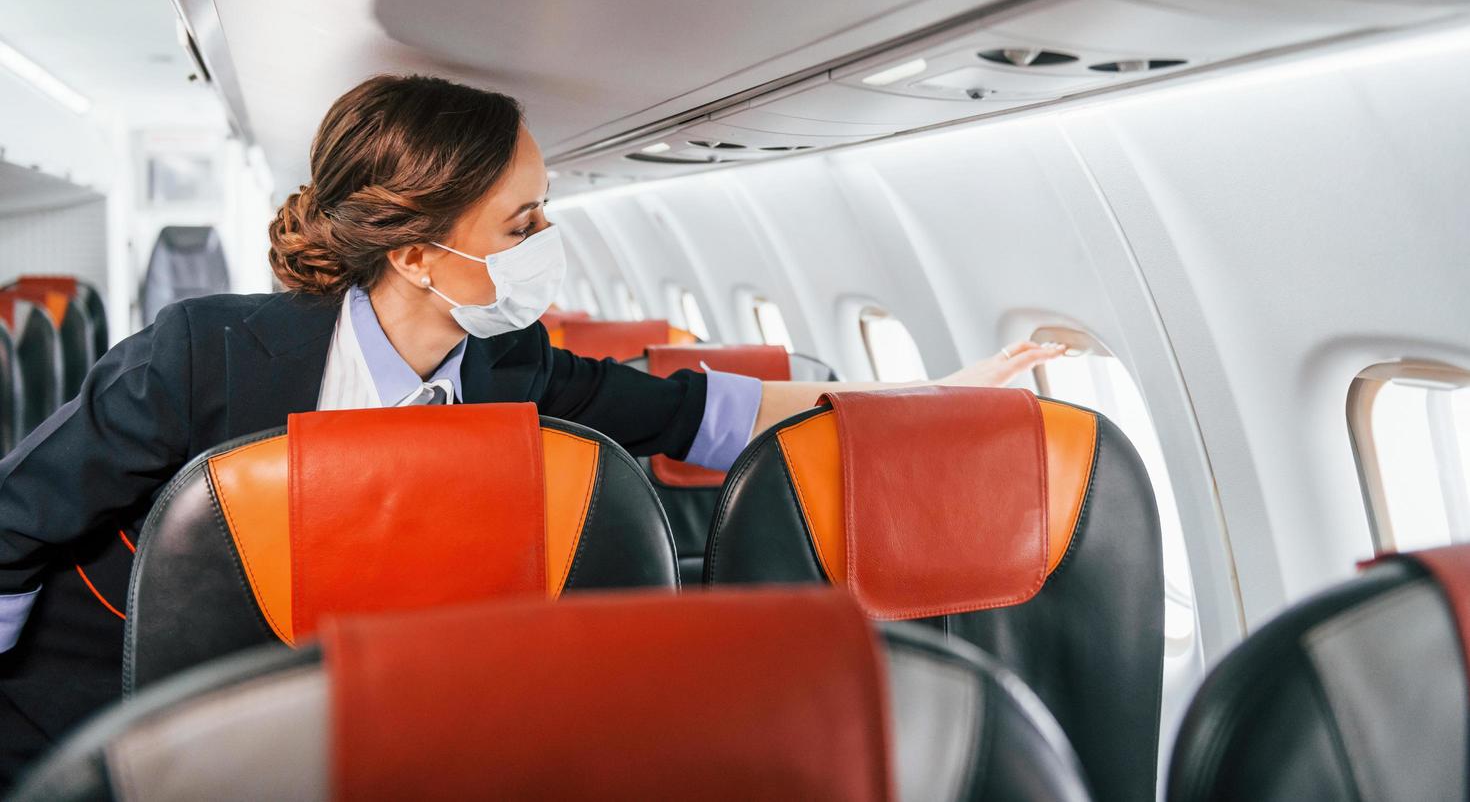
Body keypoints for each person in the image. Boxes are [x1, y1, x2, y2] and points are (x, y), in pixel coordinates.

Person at [0, 74, 1062, 780]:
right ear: (417, 253)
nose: (548, 240)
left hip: (368, 733)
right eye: (524, 222)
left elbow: (705, 413)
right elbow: (12, 528)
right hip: (110, 726)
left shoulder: (504, 363)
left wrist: (933, 395)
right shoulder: (204, 356)